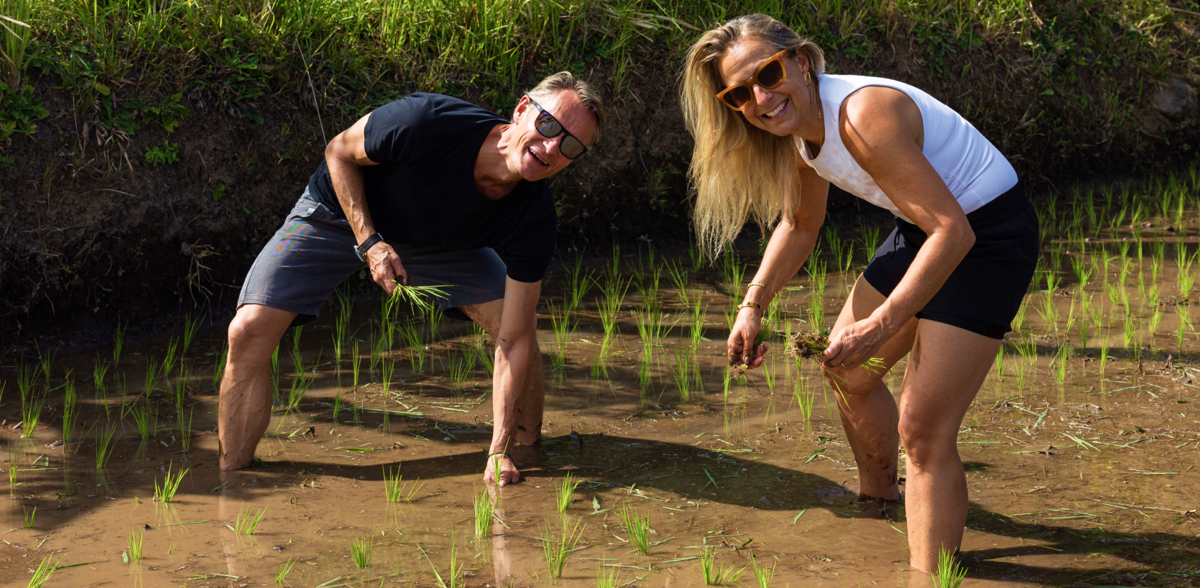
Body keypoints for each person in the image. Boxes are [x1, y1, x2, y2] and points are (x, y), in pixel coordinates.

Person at [681, 15, 1038, 572]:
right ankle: (879, 501)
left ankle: (929, 578)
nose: (760, 97)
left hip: (986, 232)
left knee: (922, 430)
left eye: (769, 73)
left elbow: (955, 232)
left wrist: (887, 321)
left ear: (800, 60)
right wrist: (752, 306)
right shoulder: (804, 134)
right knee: (846, 370)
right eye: (739, 94)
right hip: (929, 225)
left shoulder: (862, 114)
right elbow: (800, 225)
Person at [218, 72, 605, 487]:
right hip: (340, 215)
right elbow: (338, 152)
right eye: (549, 126)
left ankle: (525, 450)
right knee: (248, 330)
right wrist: (370, 243)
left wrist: (497, 450)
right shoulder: (428, 120)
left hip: (443, 241)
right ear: (523, 109)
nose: (551, 148)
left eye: (569, 146)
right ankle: (231, 479)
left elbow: (516, 341)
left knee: (516, 325)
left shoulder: (534, 219)